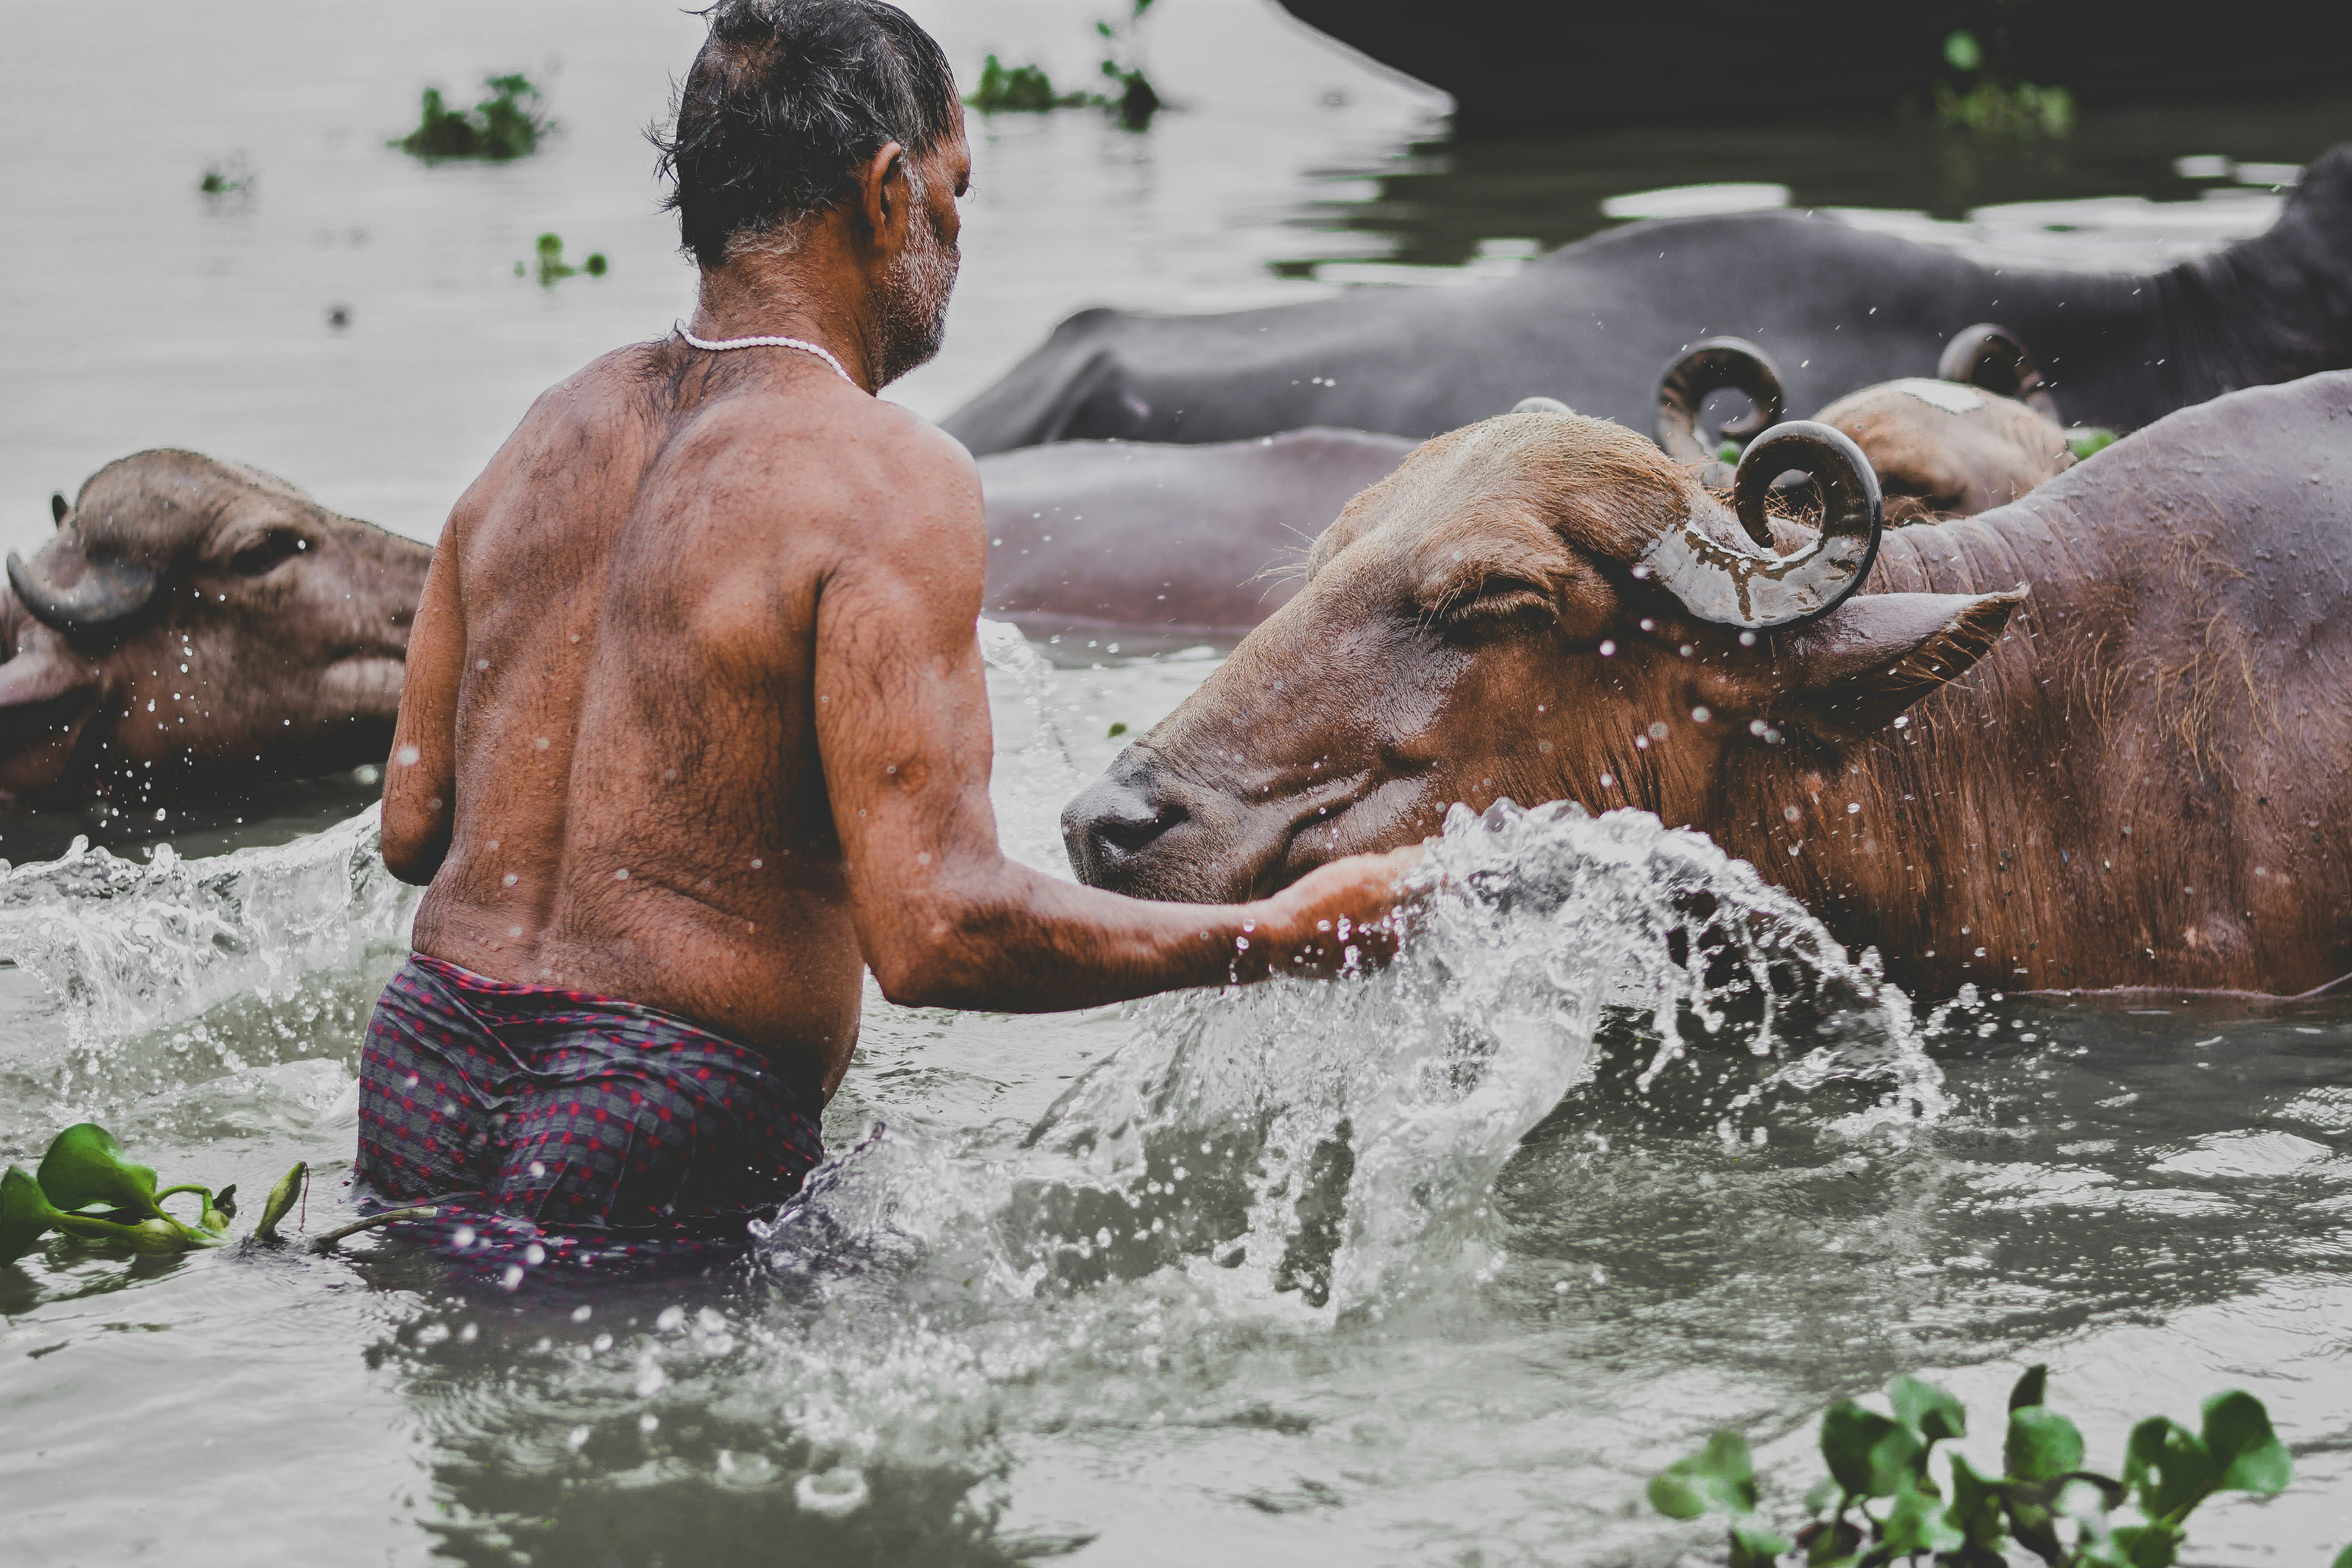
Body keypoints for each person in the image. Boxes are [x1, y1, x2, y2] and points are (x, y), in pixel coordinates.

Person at [361, 0, 1416, 1263]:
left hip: (420, 1069)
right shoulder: (883, 478)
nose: (958, 236)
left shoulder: (537, 439)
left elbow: (412, 828)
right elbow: (939, 932)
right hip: (660, 1109)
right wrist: (1281, 938)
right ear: (884, 194)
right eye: (955, 191)